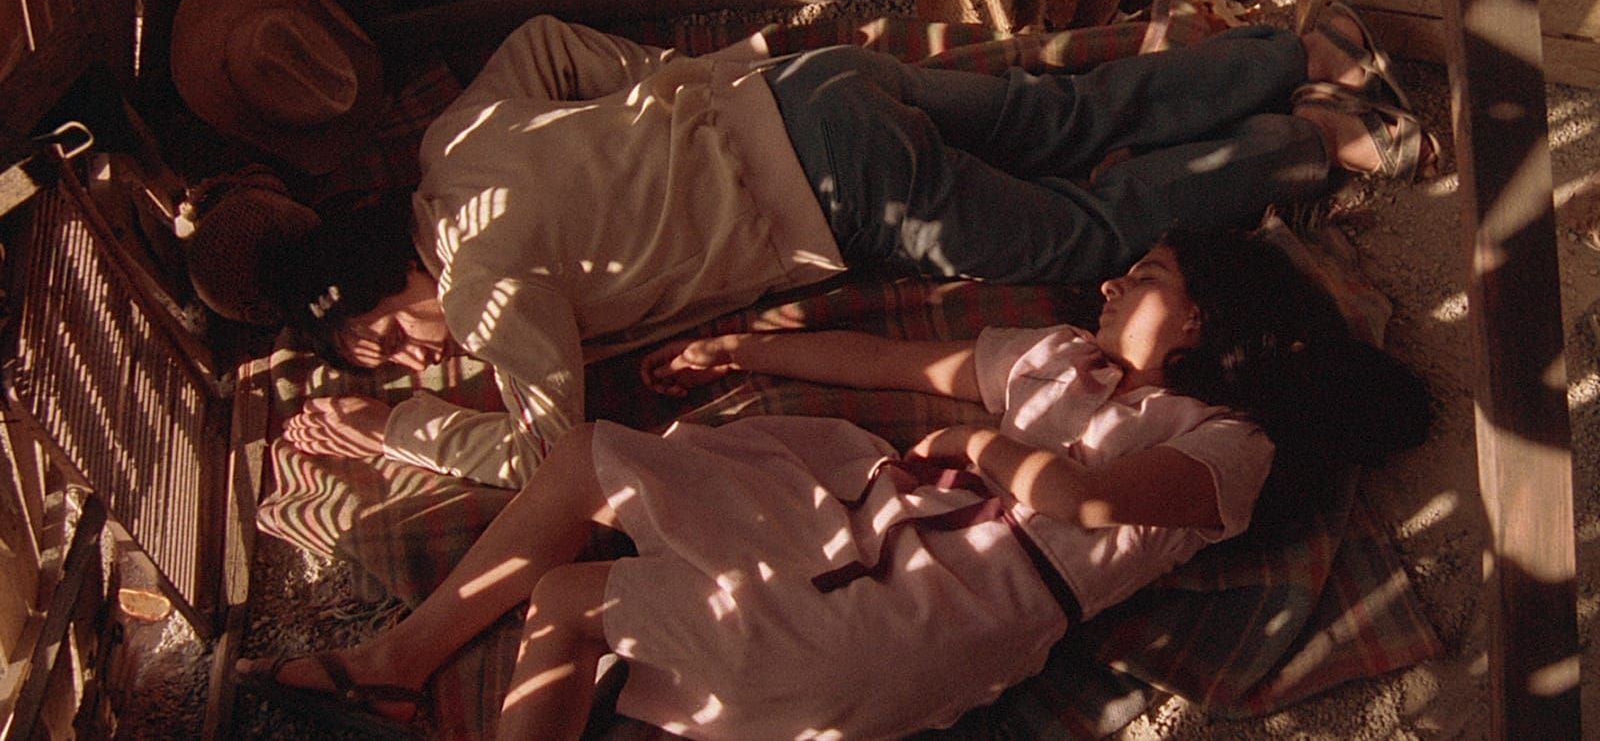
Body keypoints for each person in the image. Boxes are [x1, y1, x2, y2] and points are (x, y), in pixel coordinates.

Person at [238, 227, 1432, 739]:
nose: (1117, 280)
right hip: (871, 537)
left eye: (1152, 273)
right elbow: (897, 360)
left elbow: (1085, 501)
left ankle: (399, 671)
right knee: (593, 456)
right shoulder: (1057, 359)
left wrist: (972, 452)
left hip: (913, 618)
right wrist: (748, 350)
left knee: (566, 606)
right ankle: (399, 668)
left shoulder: (1230, 446)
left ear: (1204, 327)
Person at [264, 3, 1437, 489]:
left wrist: (397, 432)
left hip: (841, 193)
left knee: (1079, 234)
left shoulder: (487, 286)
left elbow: (543, 453)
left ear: (380, 296)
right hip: (805, 89)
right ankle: (1292, 54)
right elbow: (547, 43)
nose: (411, 360)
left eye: (381, 346)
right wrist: (674, 98)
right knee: (1058, 116)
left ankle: (1316, 144)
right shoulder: (453, 145)